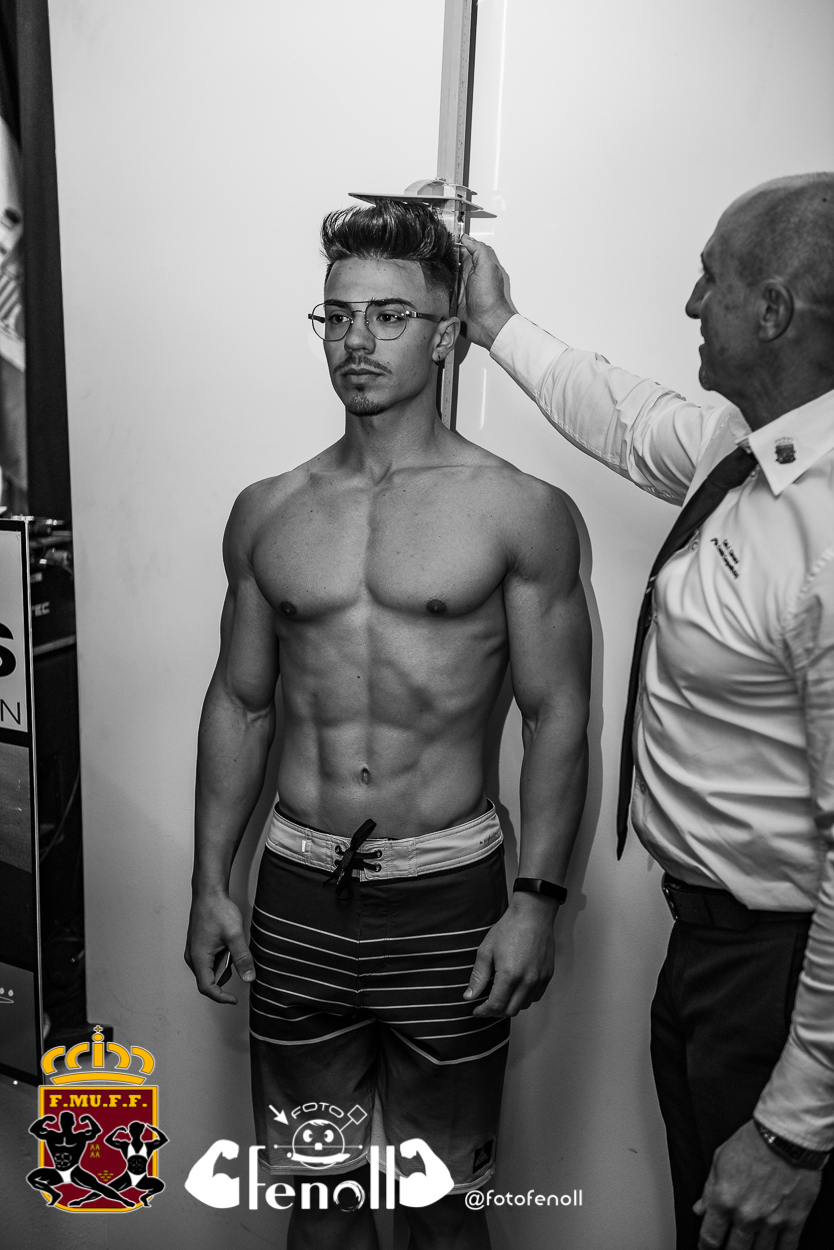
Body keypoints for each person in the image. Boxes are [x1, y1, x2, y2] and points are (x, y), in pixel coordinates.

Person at [184, 201, 591, 1250]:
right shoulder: (268, 508)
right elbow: (240, 700)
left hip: (448, 899)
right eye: (337, 314)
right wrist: (209, 883)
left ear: (447, 336)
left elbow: (557, 715)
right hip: (297, 894)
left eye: (390, 316)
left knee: (442, 1205)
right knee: (315, 1196)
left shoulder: (520, 508)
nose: (356, 340)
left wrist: (537, 902)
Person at [460, 172, 834, 1250]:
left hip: (787, 977)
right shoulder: (748, 447)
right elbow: (625, 416)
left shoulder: (825, 536)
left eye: (712, 280)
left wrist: (797, 1130)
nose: (690, 303)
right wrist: (496, 323)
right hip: (713, 953)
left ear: (773, 310)